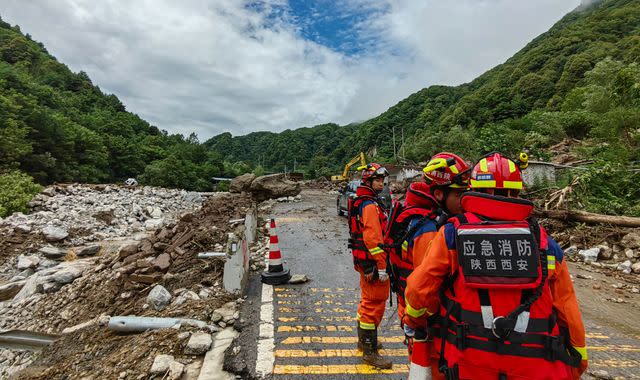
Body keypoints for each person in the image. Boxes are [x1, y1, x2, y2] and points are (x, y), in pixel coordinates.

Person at [403, 152, 588, 380]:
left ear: (472, 190)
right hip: (535, 369)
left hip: (466, 364)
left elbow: (418, 292)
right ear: (518, 191)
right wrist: (577, 361)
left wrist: (415, 322)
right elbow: (568, 313)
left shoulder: (452, 235)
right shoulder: (544, 243)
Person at [385, 153, 469, 380]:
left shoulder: (414, 213)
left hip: (412, 313)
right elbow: (424, 290)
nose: (465, 201)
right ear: (439, 194)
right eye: (460, 194)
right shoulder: (429, 228)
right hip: (426, 325)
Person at [348, 162, 392, 369]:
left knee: (367, 302)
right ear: (368, 181)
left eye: (382, 179)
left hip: (365, 262)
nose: (381, 183)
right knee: (373, 305)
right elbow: (374, 239)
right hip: (373, 264)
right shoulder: (369, 205)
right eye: (377, 179)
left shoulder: (362, 201)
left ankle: (364, 341)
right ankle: (369, 351)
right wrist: (382, 267)